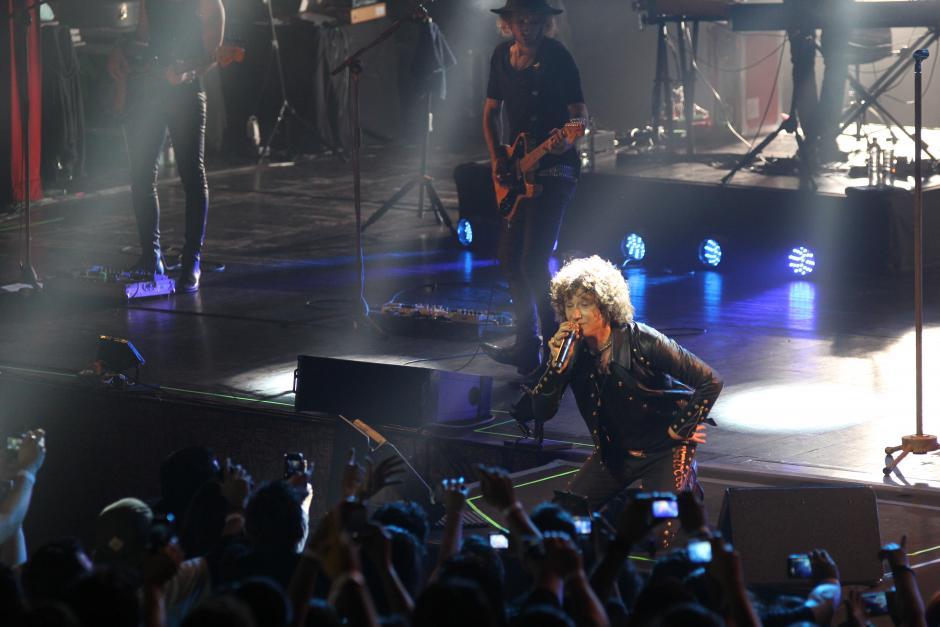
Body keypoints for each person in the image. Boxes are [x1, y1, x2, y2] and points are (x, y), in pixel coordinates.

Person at [512, 256, 722, 512]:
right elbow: (542, 413)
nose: (575, 314)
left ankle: (685, 489)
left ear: (605, 306)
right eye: (569, 305)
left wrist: (680, 428)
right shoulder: (572, 352)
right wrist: (557, 367)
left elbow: (711, 381)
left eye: (584, 304)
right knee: (562, 516)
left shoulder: (642, 340)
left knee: (662, 532)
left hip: (664, 453)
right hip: (614, 454)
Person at [480, 0, 588, 378]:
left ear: (545, 24)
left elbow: (579, 115)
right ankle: (528, 348)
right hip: (518, 167)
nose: (527, 28)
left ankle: (559, 352)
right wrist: (498, 158)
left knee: (532, 260)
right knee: (510, 260)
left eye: (534, 22)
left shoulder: (558, 57)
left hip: (556, 168)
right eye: (520, 21)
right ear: (508, 23)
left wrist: (568, 140)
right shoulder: (500, 57)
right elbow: (491, 112)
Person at [107, 0, 225, 292]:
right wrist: (122, 51)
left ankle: (191, 261)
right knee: (141, 172)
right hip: (149, 88)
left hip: (186, 91)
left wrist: (187, 70)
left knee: (191, 173)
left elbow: (214, 54)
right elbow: (144, 35)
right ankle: (151, 256)